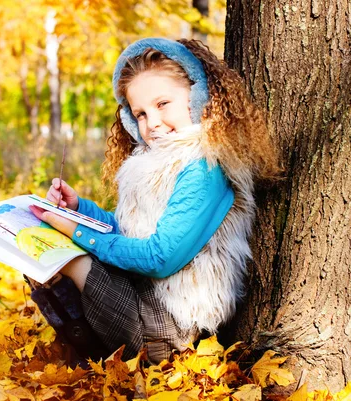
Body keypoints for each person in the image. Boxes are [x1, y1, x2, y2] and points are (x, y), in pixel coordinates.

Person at [27, 38, 282, 364]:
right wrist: (80, 210)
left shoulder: (204, 166)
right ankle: (89, 345)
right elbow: (129, 232)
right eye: (141, 114)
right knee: (51, 244)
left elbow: (160, 257)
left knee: (75, 258)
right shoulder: (151, 163)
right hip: (144, 301)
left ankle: (99, 346)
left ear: (198, 94)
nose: (154, 122)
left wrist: (77, 232)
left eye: (163, 104)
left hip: (172, 330)